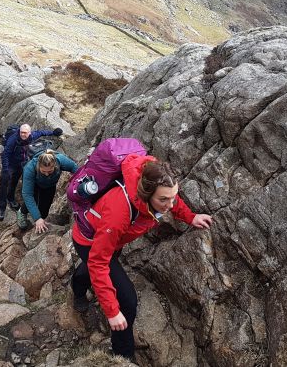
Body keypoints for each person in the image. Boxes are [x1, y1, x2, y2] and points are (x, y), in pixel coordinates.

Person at [70, 154, 213, 360]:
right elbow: (98, 261)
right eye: (163, 200)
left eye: (172, 197)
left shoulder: (159, 192)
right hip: (89, 241)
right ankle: (122, 357)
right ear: (146, 195)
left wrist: (191, 217)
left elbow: (173, 199)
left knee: (89, 270)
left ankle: (78, 285)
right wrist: (111, 312)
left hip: (111, 240)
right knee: (127, 300)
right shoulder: (119, 212)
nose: (170, 205)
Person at [0, 123, 62, 221]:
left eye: (25, 133)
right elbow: (5, 155)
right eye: (21, 132)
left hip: (21, 162)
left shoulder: (32, 136)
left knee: (14, 181)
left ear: (29, 133)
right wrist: (5, 169)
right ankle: (1, 207)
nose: (23, 135)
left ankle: (10, 198)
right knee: (4, 183)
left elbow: (42, 132)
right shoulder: (13, 140)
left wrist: (53, 132)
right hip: (10, 164)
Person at [17, 149, 78, 232]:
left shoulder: (61, 160)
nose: (46, 174)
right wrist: (37, 218)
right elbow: (27, 195)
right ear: (39, 166)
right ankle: (22, 212)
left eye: (50, 171)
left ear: (54, 165)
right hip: (34, 183)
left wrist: (77, 183)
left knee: (45, 208)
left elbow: (75, 169)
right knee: (33, 199)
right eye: (43, 171)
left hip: (50, 185)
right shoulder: (30, 168)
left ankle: (41, 221)